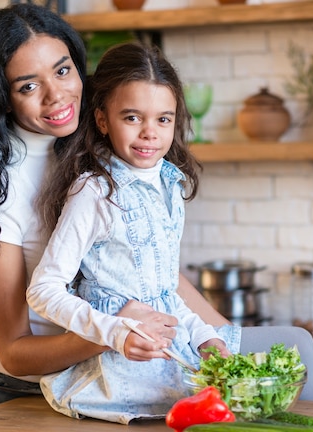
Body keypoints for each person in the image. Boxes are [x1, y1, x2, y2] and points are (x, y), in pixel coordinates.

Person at [0, 3, 313, 415]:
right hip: (13, 388)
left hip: (103, 369)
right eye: (27, 86)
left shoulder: (91, 142)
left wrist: (243, 360)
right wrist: (118, 329)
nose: (57, 95)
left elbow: (154, 271)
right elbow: (15, 352)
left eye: (62, 71)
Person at [26, 41, 240, 424]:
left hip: (172, 373)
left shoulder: (171, 186)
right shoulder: (94, 192)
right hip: (116, 382)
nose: (149, 134)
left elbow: (161, 293)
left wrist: (205, 336)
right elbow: (43, 291)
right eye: (132, 118)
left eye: (163, 119)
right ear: (103, 120)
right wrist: (114, 331)